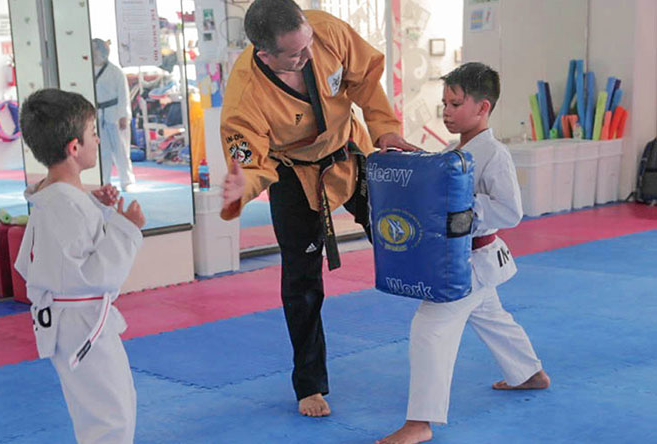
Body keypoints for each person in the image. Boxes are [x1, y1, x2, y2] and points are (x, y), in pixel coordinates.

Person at [219, 0, 416, 417]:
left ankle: (450, 309)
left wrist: (384, 128)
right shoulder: (244, 96)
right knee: (302, 283)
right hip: (294, 173)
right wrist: (243, 185)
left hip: (349, 149)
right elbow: (252, 164)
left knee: (403, 232)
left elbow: (365, 79)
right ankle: (309, 385)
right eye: (295, 53)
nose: (308, 54)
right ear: (265, 56)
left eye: (307, 42)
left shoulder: (326, 31)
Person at [377, 63, 550, 444]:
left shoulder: (494, 154)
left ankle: (420, 422)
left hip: (468, 262)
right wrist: (410, 157)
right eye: (445, 103)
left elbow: (510, 211)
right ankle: (530, 373)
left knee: (429, 328)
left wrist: (462, 209)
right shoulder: (454, 150)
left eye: (455, 104)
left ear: (483, 107)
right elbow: (437, 182)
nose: (447, 111)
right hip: (464, 262)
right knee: (492, 316)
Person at [13, 88, 145, 444]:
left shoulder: (57, 197)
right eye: (92, 133)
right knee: (109, 418)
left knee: (113, 407)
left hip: (72, 319)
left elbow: (60, 255)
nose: (98, 139)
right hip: (80, 321)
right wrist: (126, 228)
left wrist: (96, 208)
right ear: (74, 147)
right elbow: (95, 275)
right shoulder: (65, 205)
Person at [92, 38, 136, 191]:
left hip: (115, 113)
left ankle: (127, 181)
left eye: (95, 49)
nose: (94, 53)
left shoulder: (115, 72)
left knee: (121, 150)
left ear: (102, 51)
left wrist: (124, 115)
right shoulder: (88, 71)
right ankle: (104, 181)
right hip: (98, 114)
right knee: (102, 151)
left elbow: (124, 95)